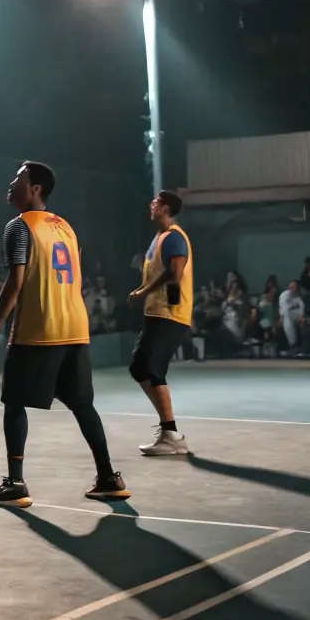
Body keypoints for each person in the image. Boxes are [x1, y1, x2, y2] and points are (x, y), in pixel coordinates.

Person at [0, 161, 128, 508]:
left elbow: (15, 283)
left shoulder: (19, 227)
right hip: (75, 327)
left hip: (39, 328)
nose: (11, 182)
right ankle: (109, 476)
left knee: (14, 402)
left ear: (35, 189)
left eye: (18, 178)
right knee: (82, 404)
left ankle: (15, 483)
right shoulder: (66, 228)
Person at [128, 190, 193, 456]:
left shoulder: (174, 237)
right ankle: (169, 430)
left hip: (170, 313)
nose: (151, 205)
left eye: (155, 202)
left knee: (150, 367)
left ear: (165, 208)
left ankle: (171, 433)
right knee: (140, 367)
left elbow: (175, 273)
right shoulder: (160, 238)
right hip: (157, 312)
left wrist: (144, 291)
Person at [278, 280, 306, 354]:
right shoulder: (284, 295)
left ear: (297, 288)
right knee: (287, 319)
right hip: (286, 316)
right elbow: (284, 310)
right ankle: (292, 344)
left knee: (303, 324)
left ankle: (299, 347)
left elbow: (301, 310)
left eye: (293, 287)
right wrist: (281, 318)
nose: (290, 288)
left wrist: (301, 318)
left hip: (296, 317)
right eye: (290, 286)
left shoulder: (299, 298)